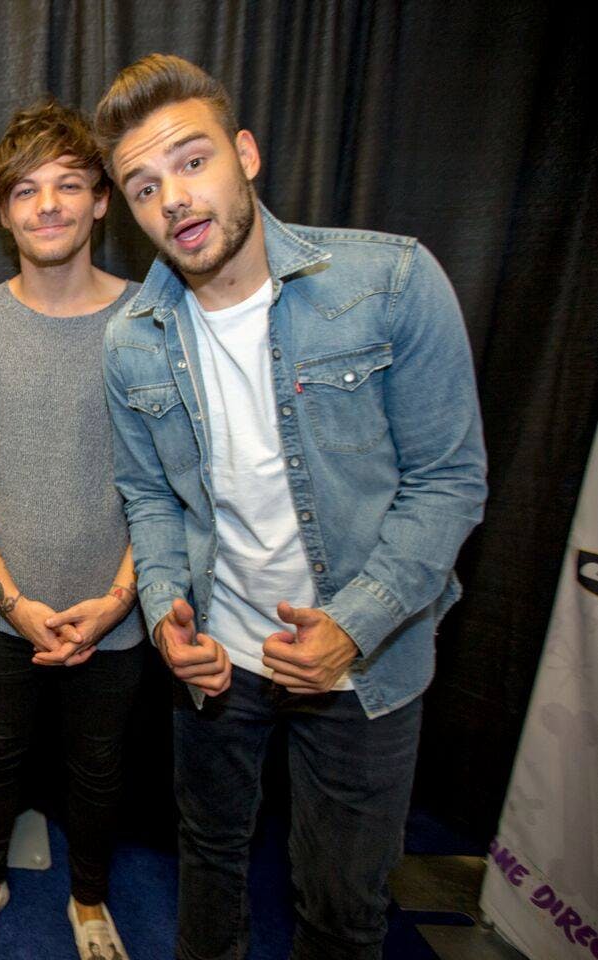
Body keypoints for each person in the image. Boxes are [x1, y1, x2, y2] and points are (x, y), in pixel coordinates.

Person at [93, 54, 488, 960]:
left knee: (343, 908)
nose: (173, 200)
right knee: (207, 865)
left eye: (192, 162)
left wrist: (353, 626)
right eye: (144, 187)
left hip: (365, 665)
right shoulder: (130, 342)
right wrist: (164, 613)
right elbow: (149, 497)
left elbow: (448, 482)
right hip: (217, 662)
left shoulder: (389, 282)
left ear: (245, 154)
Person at [0, 99, 146, 960]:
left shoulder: (149, 321)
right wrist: (14, 602)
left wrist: (117, 601)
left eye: (67, 185)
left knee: (100, 765)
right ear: (4, 211)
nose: (47, 204)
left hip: (115, 612)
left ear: (100, 200)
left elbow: (171, 482)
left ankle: (89, 902)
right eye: (25, 189)